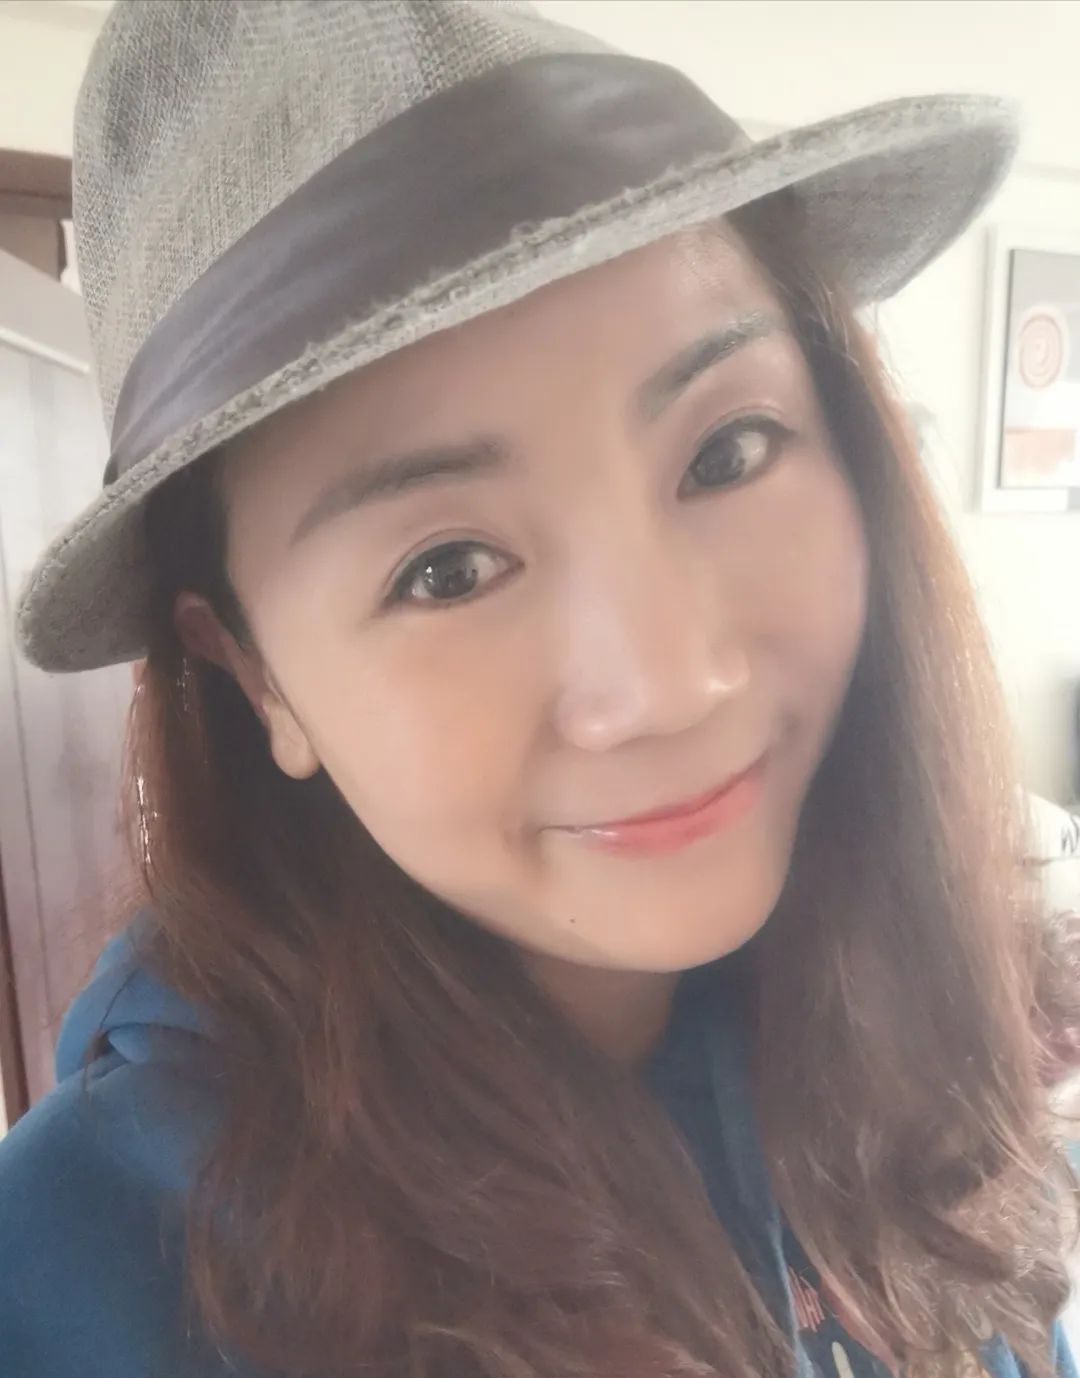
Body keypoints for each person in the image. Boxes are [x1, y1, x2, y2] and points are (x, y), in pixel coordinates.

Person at [1, 3, 1076, 1376]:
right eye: (448, 569)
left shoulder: (911, 1002)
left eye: (729, 453)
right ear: (254, 672)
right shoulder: (80, 1277)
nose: (673, 682)